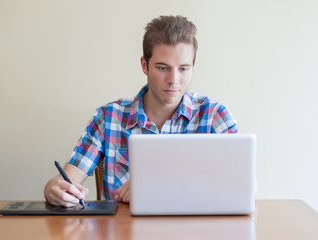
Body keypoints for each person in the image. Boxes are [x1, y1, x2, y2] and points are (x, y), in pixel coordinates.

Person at [44, 15, 238, 207]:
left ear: (193, 67)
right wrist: (53, 190)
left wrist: (156, 186)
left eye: (183, 69)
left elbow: (244, 186)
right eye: (163, 68)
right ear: (145, 65)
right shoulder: (108, 117)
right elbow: (67, 180)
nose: (174, 80)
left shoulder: (214, 115)